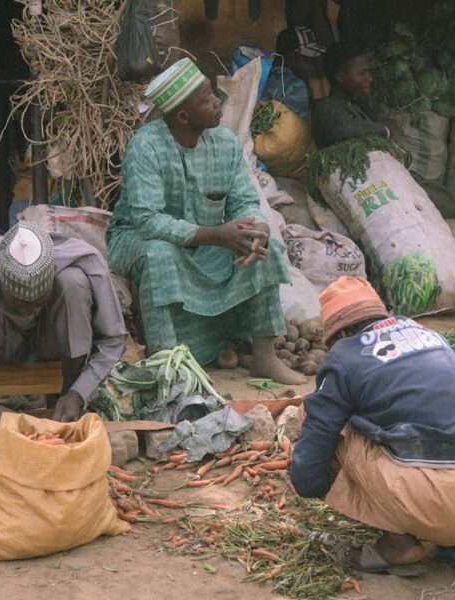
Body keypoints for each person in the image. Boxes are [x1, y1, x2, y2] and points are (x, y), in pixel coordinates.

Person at [106, 58, 305, 385]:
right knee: (159, 254)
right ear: (183, 116)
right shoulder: (146, 147)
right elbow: (148, 222)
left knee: (263, 244)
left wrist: (253, 228)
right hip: (138, 240)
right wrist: (217, 235)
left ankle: (265, 357)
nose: (218, 102)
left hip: (208, 240)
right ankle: (170, 366)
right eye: (208, 99)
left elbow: (243, 200)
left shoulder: (226, 143)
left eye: (215, 94)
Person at [290, 276, 455, 574]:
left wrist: (327, 488)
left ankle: (398, 544)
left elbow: (307, 473)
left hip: (429, 500)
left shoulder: (345, 356)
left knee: (332, 427)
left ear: (340, 333)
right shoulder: (433, 337)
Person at [0, 220, 127, 463]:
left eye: (37, 301)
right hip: (4, 348)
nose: (30, 310)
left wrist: (79, 391)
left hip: (52, 342)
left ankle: (67, 401)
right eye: (20, 303)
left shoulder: (87, 261)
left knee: (74, 283)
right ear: (1, 282)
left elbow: (114, 338)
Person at [311, 42, 390, 149]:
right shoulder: (326, 108)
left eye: (368, 72)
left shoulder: (356, 104)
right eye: (362, 74)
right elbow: (345, 130)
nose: (370, 78)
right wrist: (385, 130)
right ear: (340, 77)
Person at [264, 26, 326, 121]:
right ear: (293, 56)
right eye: (309, 59)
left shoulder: (271, 75)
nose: (315, 64)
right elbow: (301, 128)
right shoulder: (293, 86)